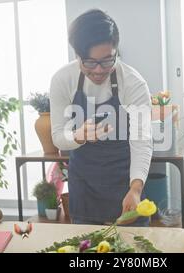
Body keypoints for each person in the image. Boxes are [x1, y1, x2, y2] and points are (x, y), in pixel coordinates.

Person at [50, 9, 153, 226]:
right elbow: (58, 137)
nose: (99, 70)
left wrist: (135, 189)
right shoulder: (63, 79)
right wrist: (78, 136)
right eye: (89, 62)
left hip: (125, 184)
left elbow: (141, 141)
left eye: (108, 61)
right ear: (77, 55)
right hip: (84, 189)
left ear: (116, 51)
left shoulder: (133, 83)